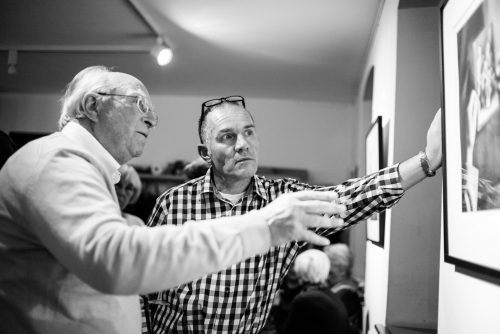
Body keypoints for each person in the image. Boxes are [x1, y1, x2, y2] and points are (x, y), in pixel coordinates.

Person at [0, 67, 347, 334]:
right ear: (93, 105)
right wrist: (267, 224)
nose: (152, 119)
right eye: (140, 104)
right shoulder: (57, 161)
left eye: (249, 133)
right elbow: (118, 261)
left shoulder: (86, 171)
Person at [145, 95, 442, 333]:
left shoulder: (283, 199)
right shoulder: (173, 203)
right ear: (205, 151)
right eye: (227, 136)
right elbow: (141, 287)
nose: (243, 144)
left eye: (249, 132)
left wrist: (426, 161)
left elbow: (349, 198)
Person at [281, 249, 351, 334]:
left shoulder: (305, 299)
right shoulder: (329, 295)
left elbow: (288, 330)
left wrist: (277, 307)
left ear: (300, 270)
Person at [324, 243, 363, 332]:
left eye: (329, 265)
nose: (325, 270)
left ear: (341, 270)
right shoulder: (348, 285)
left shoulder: (345, 293)